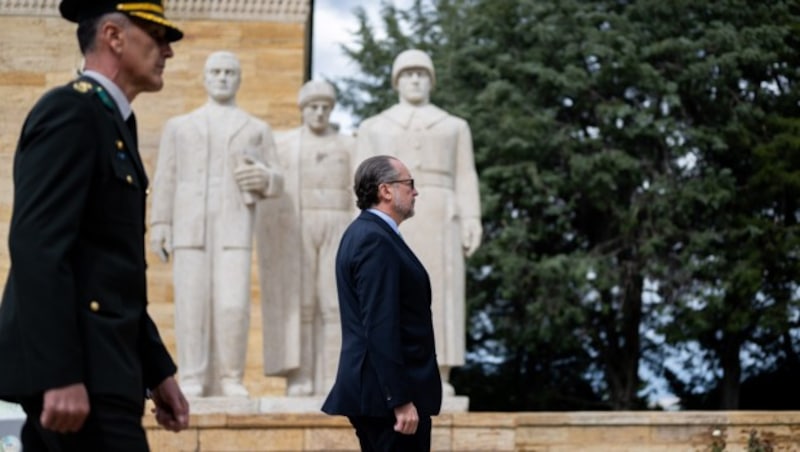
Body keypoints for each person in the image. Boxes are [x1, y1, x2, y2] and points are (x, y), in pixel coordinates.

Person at [0, 1, 190, 449]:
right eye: (157, 35)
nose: (168, 51)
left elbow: (112, 272)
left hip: (106, 371)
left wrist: (158, 370)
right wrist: (59, 374)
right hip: (79, 377)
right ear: (114, 36)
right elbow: (38, 248)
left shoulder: (113, 121)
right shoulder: (72, 111)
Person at [149, 51, 283, 398]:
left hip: (234, 223)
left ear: (238, 79)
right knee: (191, 301)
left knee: (232, 303)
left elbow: (278, 179)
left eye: (229, 72)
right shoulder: (179, 126)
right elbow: (166, 177)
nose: (223, 77)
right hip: (189, 224)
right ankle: (192, 375)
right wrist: (160, 222)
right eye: (216, 72)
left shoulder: (257, 128)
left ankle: (230, 377)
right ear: (205, 78)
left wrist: (265, 178)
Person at [355, 49, 482, 396]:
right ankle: (391, 372)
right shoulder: (374, 127)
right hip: (390, 215)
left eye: (421, 74)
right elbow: (360, 180)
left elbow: (465, 175)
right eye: (408, 73)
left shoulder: (454, 126)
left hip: (441, 213)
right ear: (396, 80)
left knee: (440, 295)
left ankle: (438, 373)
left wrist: (471, 216)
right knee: (389, 293)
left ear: (431, 80)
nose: (414, 79)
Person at [322, 155, 442, 452]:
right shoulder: (374, 239)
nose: (415, 192)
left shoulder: (371, 234)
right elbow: (380, 323)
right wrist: (398, 400)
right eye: (409, 184)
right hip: (387, 400)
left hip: (382, 395)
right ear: (385, 190)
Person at [257, 80, 354, 397]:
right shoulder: (284, 144)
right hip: (298, 225)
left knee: (336, 303)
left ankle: (334, 375)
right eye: (313, 107)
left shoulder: (348, 144)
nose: (319, 113)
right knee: (303, 303)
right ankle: (301, 375)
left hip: (338, 223)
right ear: (303, 110)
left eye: (325, 107)